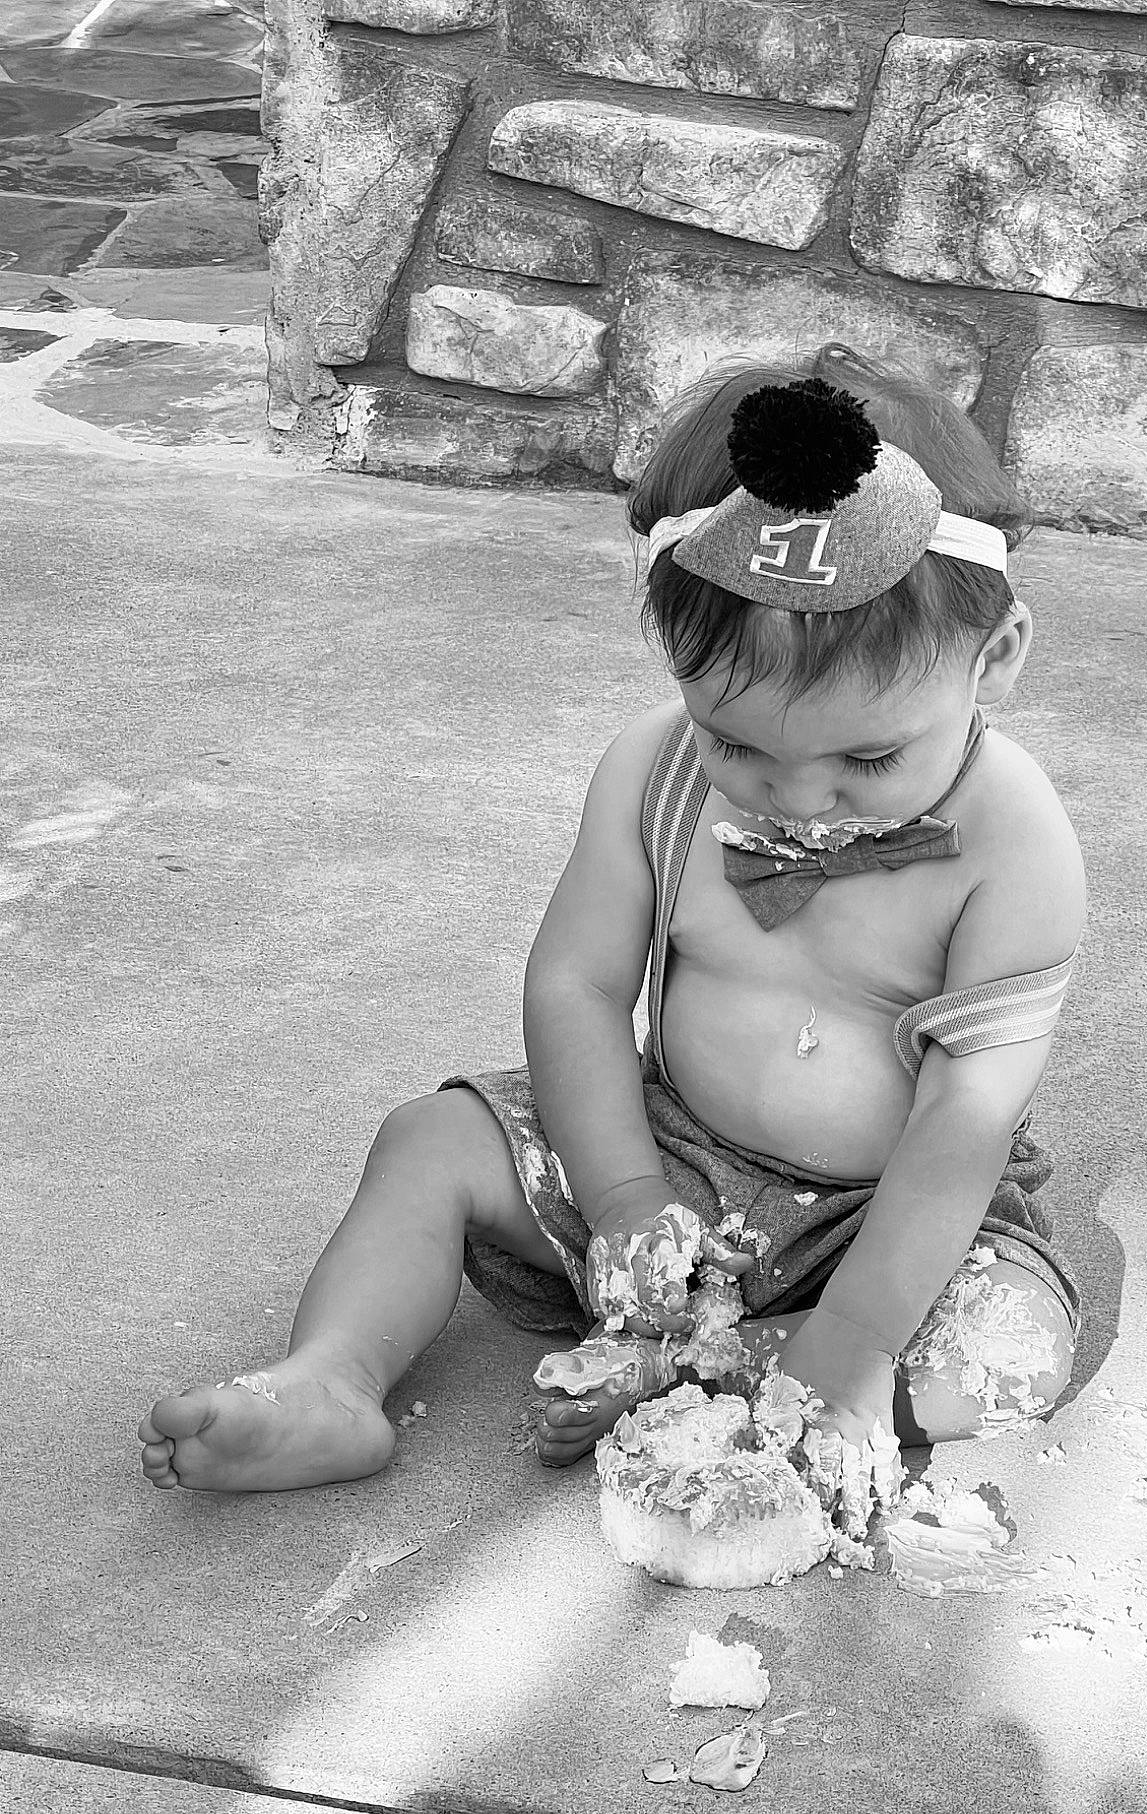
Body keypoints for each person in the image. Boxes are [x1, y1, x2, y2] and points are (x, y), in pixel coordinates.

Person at [138, 343, 1085, 1507]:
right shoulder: (657, 770)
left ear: (995, 658)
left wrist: (861, 1335)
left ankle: (719, 1364)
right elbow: (577, 986)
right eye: (736, 741)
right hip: (666, 1149)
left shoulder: (1015, 841)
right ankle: (330, 1377)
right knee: (431, 1141)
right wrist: (624, 1189)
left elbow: (963, 1118)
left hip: (880, 1215)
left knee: (1012, 1349)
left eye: (869, 755)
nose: (796, 794)